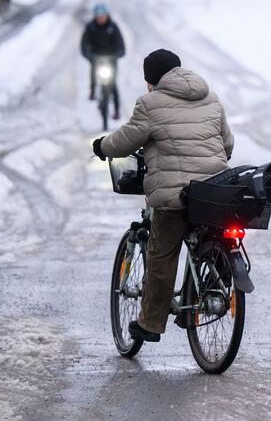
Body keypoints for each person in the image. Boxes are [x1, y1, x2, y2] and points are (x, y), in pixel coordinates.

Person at [92, 49, 234, 342]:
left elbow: (125, 140)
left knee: (161, 254)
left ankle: (150, 324)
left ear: (151, 80)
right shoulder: (210, 96)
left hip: (176, 196)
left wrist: (102, 146)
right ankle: (210, 288)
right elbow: (227, 144)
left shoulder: (150, 103)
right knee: (211, 234)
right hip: (214, 192)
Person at [80, 3, 125, 119]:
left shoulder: (113, 27)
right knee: (93, 73)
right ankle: (92, 91)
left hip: (111, 59)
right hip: (96, 58)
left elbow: (121, 45)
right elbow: (84, 44)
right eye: (98, 16)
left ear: (106, 15)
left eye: (102, 16)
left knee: (113, 84)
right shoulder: (91, 27)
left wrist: (119, 54)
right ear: (95, 17)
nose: (100, 19)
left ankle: (117, 110)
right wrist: (88, 55)